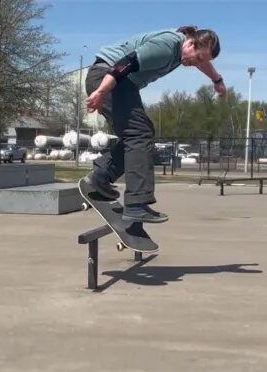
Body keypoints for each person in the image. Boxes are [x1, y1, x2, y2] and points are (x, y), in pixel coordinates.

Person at [81, 26, 227, 224]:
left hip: (119, 82)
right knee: (139, 134)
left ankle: (101, 177)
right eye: (198, 58)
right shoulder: (167, 46)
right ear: (190, 43)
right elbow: (124, 64)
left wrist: (217, 80)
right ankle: (136, 204)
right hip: (109, 78)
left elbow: (204, 63)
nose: (195, 64)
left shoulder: (186, 49)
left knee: (141, 133)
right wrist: (100, 92)